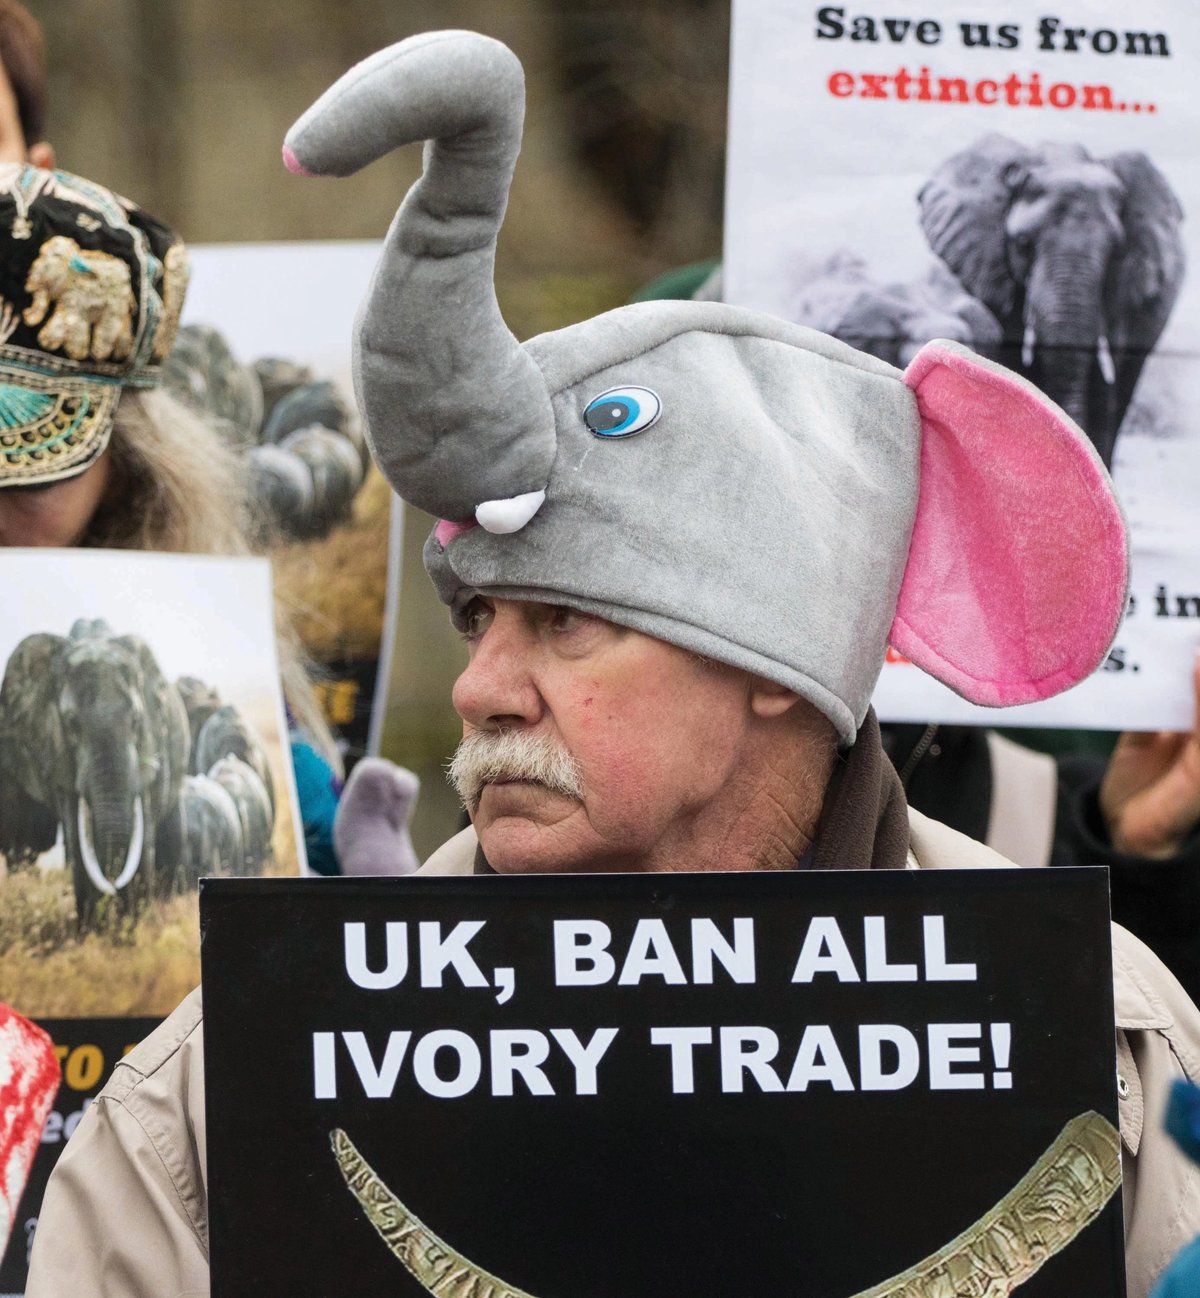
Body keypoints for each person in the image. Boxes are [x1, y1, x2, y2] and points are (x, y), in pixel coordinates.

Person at [26, 31, 1200, 1298]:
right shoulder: (249, 1070)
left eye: (567, 623)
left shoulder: (1100, 1037)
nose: (482, 688)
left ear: (775, 658)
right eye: (481, 621)